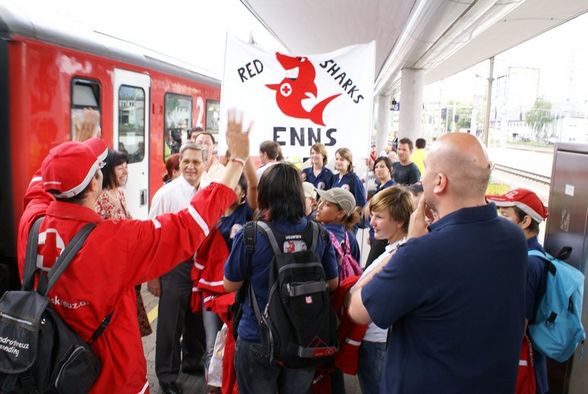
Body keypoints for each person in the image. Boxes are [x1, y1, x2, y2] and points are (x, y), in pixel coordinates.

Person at [16, 110, 251, 394]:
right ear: (94, 184)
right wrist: (236, 161)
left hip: (51, 368)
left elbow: (40, 190)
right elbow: (188, 225)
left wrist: (75, 149)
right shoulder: (115, 240)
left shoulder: (31, 224)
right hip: (111, 379)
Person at [349, 132, 528, 394]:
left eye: (426, 172)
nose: (421, 178)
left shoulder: (421, 252)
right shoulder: (514, 239)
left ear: (440, 182)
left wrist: (408, 246)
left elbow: (358, 309)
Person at [223, 163, 339, 394]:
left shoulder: (251, 234)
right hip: (304, 337)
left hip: (258, 335)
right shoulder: (320, 233)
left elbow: (230, 284)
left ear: (265, 194)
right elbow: (333, 284)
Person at [147, 141, 215, 393]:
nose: (190, 167)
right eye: (186, 161)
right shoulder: (166, 194)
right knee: (169, 324)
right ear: (180, 162)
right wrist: (152, 276)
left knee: (196, 318)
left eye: (196, 162)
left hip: (202, 265)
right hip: (173, 265)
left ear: (205, 164)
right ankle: (166, 375)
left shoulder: (209, 191)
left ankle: (192, 362)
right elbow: (151, 237)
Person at [487, 188, 550, 394]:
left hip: (522, 364)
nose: (498, 220)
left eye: (505, 216)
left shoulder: (528, 263)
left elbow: (519, 324)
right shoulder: (531, 254)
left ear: (525, 222)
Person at [355, 185, 414, 394]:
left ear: (399, 221)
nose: (371, 223)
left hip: (377, 342)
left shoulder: (399, 255)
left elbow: (360, 295)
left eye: (379, 217)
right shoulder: (394, 248)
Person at [95, 149, 152, 337]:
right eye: (120, 167)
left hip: (127, 270)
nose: (125, 171)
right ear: (108, 169)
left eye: (126, 167)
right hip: (111, 273)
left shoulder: (119, 193)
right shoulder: (100, 198)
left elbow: (129, 221)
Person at [315, 187, 361, 268]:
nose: (319, 206)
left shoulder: (321, 235)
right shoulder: (350, 236)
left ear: (340, 213)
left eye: (327, 204)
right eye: (320, 201)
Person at [365, 157, 396, 268]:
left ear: (390, 169)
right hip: (376, 235)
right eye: (376, 167)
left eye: (382, 166)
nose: (378, 169)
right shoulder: (380, 188)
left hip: (383, 238)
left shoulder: (391, 190)